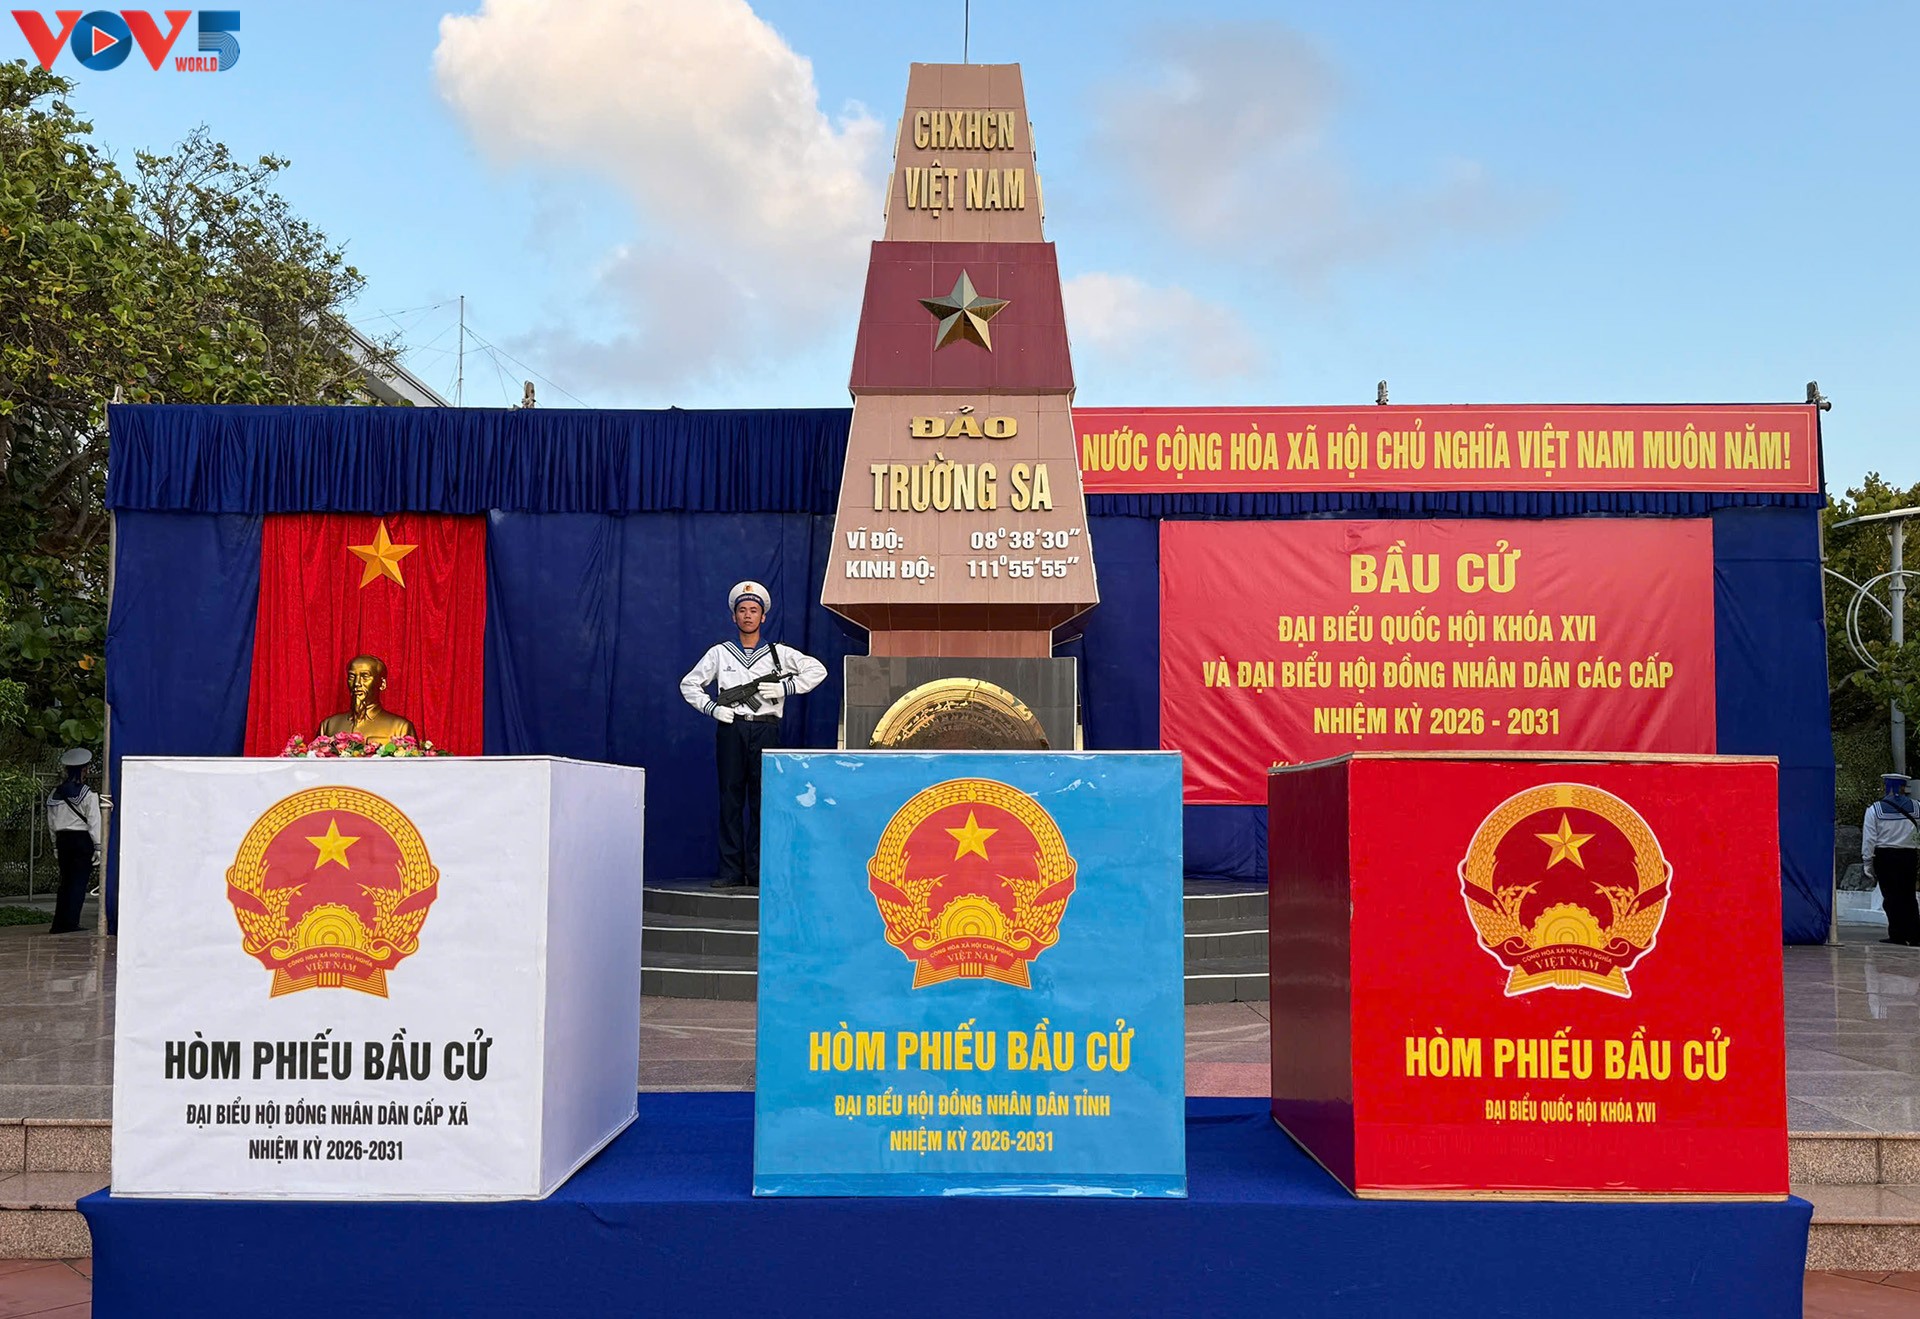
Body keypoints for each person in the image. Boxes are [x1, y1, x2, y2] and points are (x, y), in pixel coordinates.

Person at [680, 581, 826, 889]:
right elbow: (689, 684)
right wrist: (711, 708)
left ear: (763, 617)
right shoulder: (720, 653)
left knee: (764, 800)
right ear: (734, 616)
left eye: (754, 610)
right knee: (730, 799)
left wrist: (786, 687)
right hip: (732, 729)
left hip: (765, 728)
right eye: (742, 610)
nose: (748, 615)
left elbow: (817, 670)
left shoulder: (778, 654)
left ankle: (760, 870)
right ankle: (731, 870)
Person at [46, 748, 100, 934]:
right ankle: (70, 922)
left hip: (62, 840)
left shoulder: (55, 794)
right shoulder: (87, 794)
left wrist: (55, 844)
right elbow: (94, 822)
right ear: (84, 770)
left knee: (65, 882)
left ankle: (59, 923)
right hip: (81, 840)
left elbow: (51, 822)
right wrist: (98, 846)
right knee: (78, 882)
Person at [1864, 772, 1920, 946]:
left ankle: (1897, 934)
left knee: (1891, 897)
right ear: (1904, 787)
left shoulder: (1875, 809)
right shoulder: (1917, 807)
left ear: (1886, 786)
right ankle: (1915, 935)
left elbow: (1869, 838)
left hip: (1885, 856)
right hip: (1909, 855)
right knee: (1909, 895)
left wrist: (1867, 861)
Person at [318, 654, 418, 746]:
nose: (357, 683)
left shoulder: (401, 727)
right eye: (352, 676)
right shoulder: (328, 725)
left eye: (365, 677)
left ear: (382, 684)